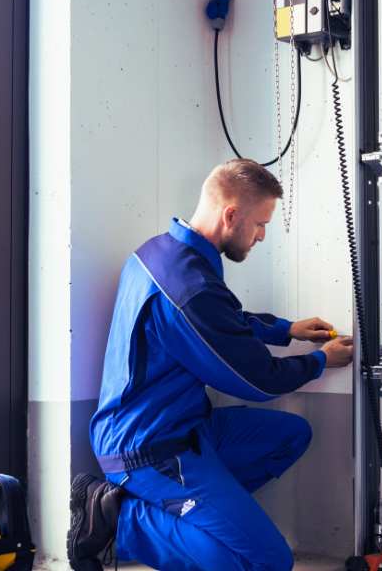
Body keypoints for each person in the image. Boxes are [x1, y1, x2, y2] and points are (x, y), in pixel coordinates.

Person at [67, 158, 355, 571]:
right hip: (148, 449)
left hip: (186, 428)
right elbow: (257, 381)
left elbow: (223, 322)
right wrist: (319, 361)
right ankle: (119, 520)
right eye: (259, 224)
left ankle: (197, 522)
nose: (261, 236)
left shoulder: (162, 252)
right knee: (267, 561)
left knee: (291, 434)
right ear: (231, 214)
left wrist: (286, 330)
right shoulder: (188, 287)